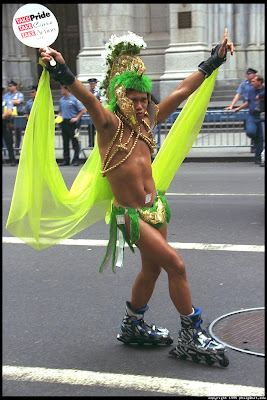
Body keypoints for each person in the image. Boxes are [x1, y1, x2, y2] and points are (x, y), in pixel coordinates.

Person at [40, 28, 233, 367]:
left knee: (154, 270)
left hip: (156, 209)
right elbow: (86, 98)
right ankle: (191, 332)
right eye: (135, 99)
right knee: (176, 265)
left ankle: (132, 325)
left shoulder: (150, 120)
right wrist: (60, 70)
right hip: (128, 215)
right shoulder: (109, 125)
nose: (143, 105)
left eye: (145, 99)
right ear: (120, 97)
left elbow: (183, 89)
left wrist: (213, 60)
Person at [233, 75, 265, 164]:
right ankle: (254, 140)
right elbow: (248, 102)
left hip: (262, 116)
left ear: (259, 82)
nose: (251, 83)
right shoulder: (251, 90)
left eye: (253, 81)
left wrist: (260, 97)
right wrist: (238, 108)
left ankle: (258, 157)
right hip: (253, 115)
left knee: (261, 138)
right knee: (251, 131)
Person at [58, 85, 86, 166]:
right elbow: (60, 111)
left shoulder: (74, 99)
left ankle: (76, 159)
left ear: (66, 89)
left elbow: (82, 110)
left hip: (72, 123)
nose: (61, 90)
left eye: (62, 89)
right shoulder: (61, 100)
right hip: (64, 122)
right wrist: (58, 118)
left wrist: (77, 118)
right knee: (65, 142)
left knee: (75, 142)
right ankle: (66, 159)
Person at [3, 80, 24, 153]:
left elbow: (19, 101)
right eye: (9, 86)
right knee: (9, 133)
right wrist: (13, 102)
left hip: (17, 114)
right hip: (9, 115)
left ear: (15, 86)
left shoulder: (19, 94)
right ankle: (11, 148)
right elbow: (4, 102)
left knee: (18, 132)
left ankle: (17, 148)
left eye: (11, 86)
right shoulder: (6, 95)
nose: (9, 87)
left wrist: (9, 102)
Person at [2, 87, 16, 166]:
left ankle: (12, 160)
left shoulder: (6, 101)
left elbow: (10, 111)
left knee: (9, 142)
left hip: (5, 123)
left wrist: (3, 116)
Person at [86, 78, 101, 147]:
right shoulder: (88, 92)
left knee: (98, 130)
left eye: (93, 84)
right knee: (90, 130)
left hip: (97, 114)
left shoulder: (98, 92)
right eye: (90, 84)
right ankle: (91, 143)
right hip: (90, 115)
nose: (92, 85)